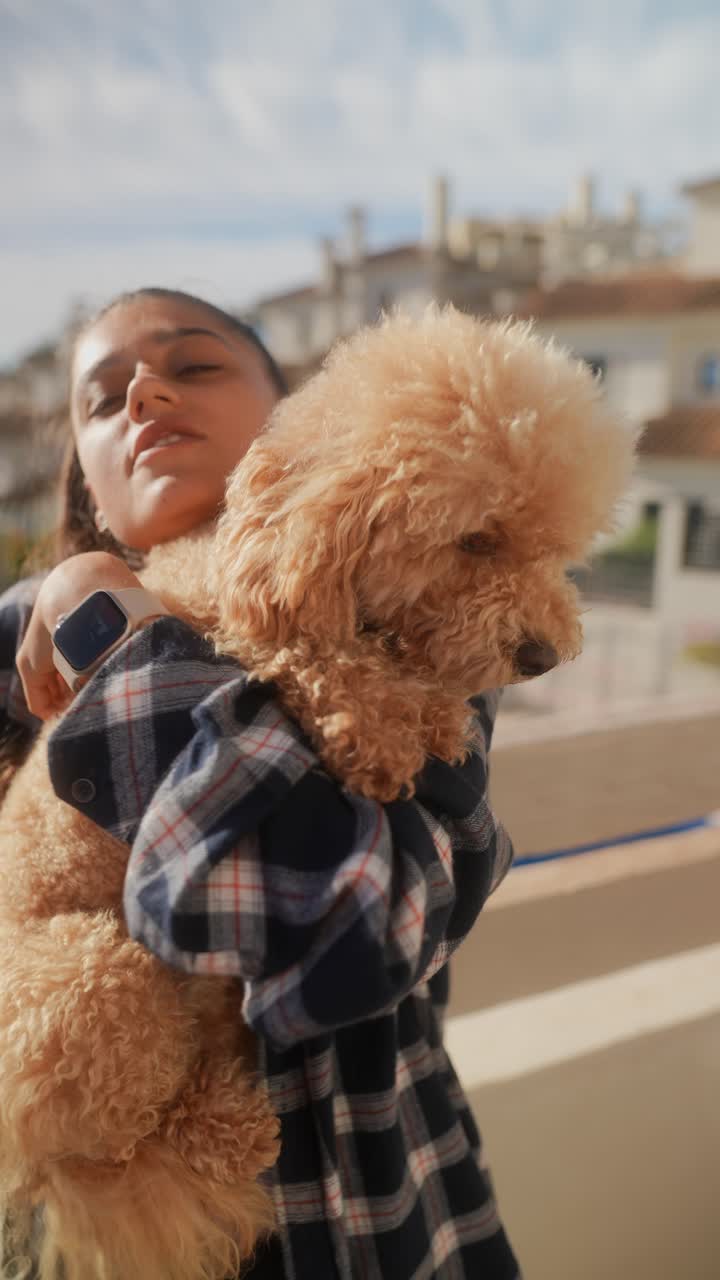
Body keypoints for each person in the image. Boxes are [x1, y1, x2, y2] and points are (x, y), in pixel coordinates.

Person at [1, 287, 521, 1279]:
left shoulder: (420, 642)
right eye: (102, 398)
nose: (143, 393)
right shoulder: (9, 648)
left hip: (366, 1222)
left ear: (302, 423)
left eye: (191, 364)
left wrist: (113, 630)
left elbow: (335, 925)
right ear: (89, 488)